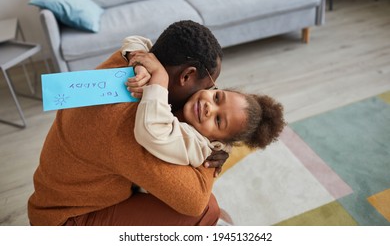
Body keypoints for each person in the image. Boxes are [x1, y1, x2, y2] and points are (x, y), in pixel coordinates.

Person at [28, 20, 228, 226]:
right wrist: (212, 146)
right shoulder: (131, 126)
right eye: (209, 87)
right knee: (207, 211)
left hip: (56, 194)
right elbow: (194, 202)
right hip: (65, 220)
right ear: (187, 75)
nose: (206, 96)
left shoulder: (130, 61)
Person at [126, 51, 285, 171]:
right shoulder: (191, 91)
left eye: (218, 120)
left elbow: (152, 130)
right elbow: (134, 41)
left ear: (217, 142)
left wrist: (159, 76)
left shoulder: (198, 147)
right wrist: (141, 64)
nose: (209, 107)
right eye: (217, 97)